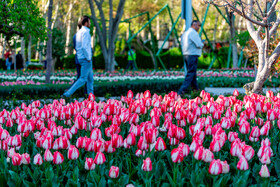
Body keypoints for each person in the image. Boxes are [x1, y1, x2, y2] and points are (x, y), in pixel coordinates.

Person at [62, 15, 93, 98]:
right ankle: (67, 94)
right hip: (86, 59)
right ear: (86, 23)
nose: (90, 23)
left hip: (80, 58)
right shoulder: (86, 32)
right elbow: (84, 46)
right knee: (83, 79)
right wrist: (88, 58)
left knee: (90, 79)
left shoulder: (78, 32)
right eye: (89, 22)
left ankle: (91, 97)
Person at [178, 20, 204, 96]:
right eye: (198, 25)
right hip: (192, 55)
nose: (199, 27)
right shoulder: (193, 33)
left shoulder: (185, 33)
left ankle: (196, 91)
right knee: (191, 73)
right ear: (194, 24)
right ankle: (181, 91)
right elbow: (199, 44)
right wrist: (202, 43)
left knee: (193, 74)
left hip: (186, 54)